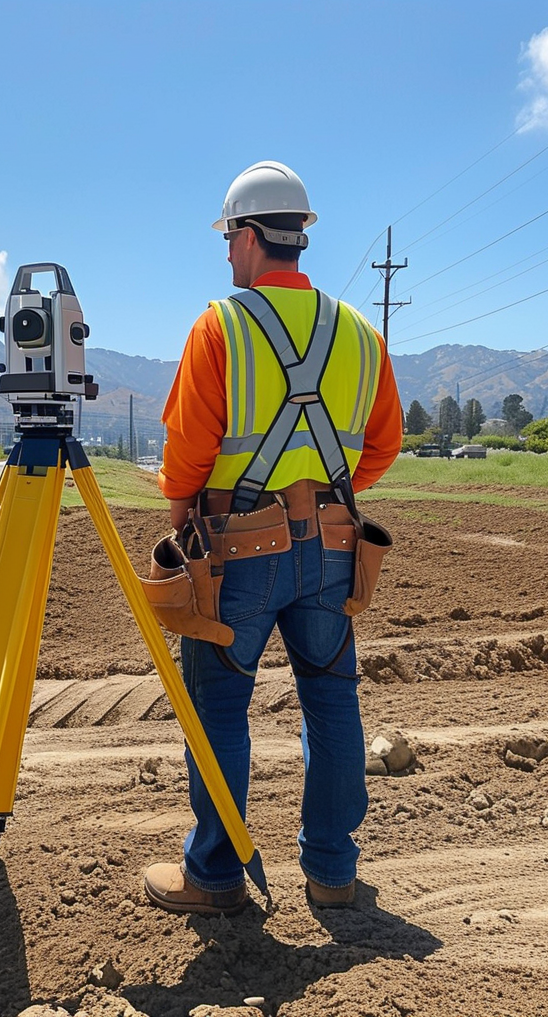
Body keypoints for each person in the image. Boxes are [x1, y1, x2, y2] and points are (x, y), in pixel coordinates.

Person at [144, 161, 403, 916]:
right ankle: (332, 873)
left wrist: (186, 527)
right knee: (332, 700)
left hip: (238, 550)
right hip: (332, 547)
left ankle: (215, 878)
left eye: (230, 238)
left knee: (219, 707)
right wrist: (322, 488)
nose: (227, 254)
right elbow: (381, 448)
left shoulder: (220, 325)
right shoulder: (360, 332)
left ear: (253, 236)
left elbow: (187, 455)